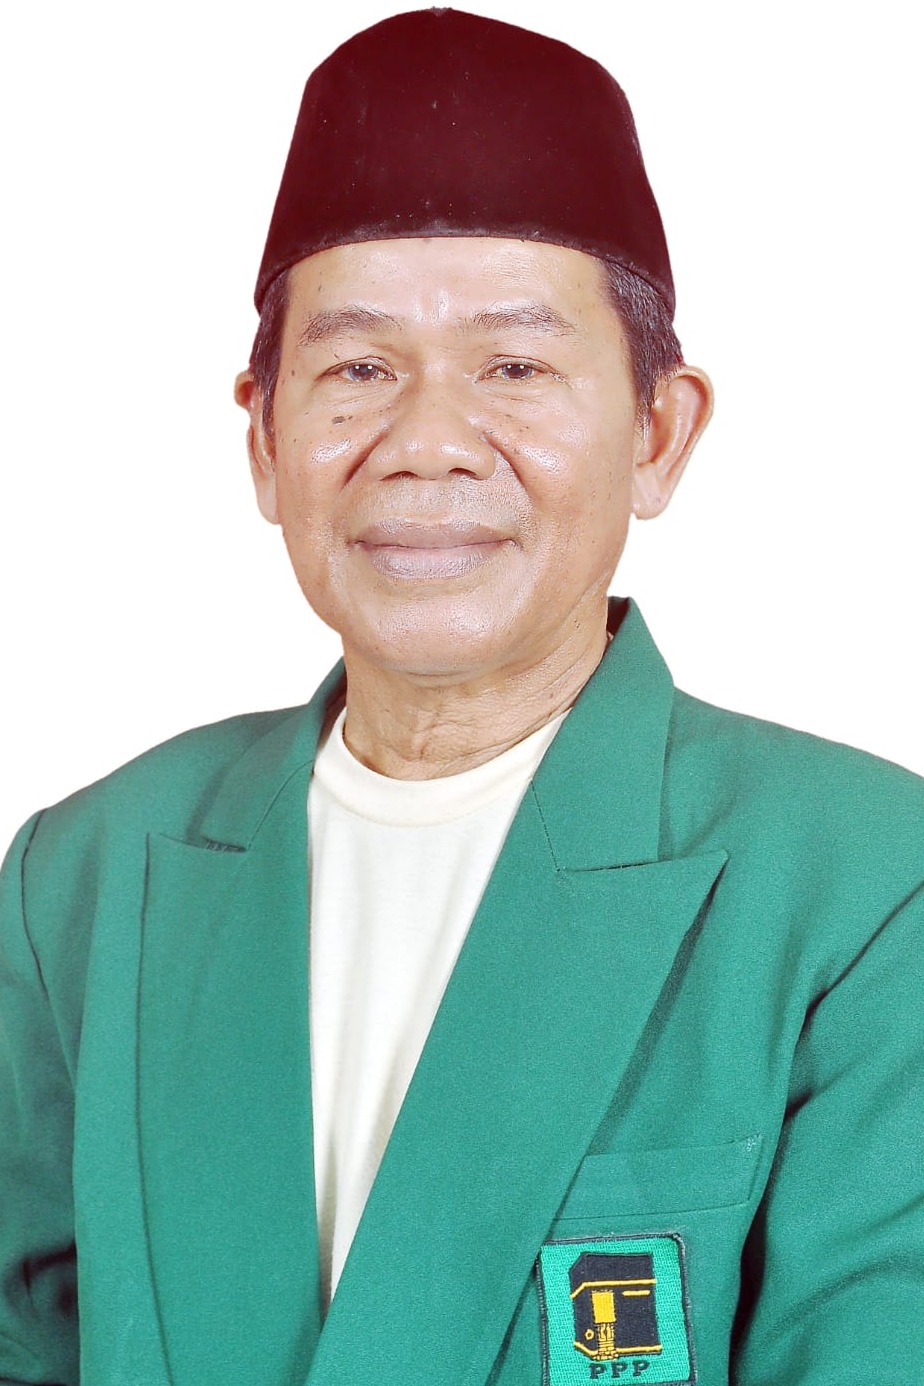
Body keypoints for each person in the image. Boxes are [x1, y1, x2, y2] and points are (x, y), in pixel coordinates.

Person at [1, 9, 922, 1384]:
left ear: (660, 433)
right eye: (358, 369)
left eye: (516, 365)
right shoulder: (84, 877)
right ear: (262, 442)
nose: (427, 444)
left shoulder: (866, 886)